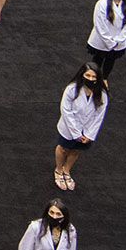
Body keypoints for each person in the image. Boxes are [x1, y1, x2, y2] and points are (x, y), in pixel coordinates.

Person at [54, 62, 108, 191]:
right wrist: (76, 133)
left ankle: (66, 171)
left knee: (75, 150)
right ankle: (58, 170)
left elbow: (99, 116)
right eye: (87, 75)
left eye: (93, 77)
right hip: (69, 128)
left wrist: (89, 134)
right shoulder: (72, 90)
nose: (90, 79)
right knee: (63, 148)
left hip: (86, 130)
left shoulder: (101, 94)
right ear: (82, 75)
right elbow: (66, 111)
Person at [86, 0, 126, 82]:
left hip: (118, 40)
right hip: (102, 40)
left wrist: (120, 39)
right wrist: (109, 41)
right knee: (98, 59)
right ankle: (94, 77)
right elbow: (99, 24)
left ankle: (104, 78)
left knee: (111, 60)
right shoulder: (102, 3)